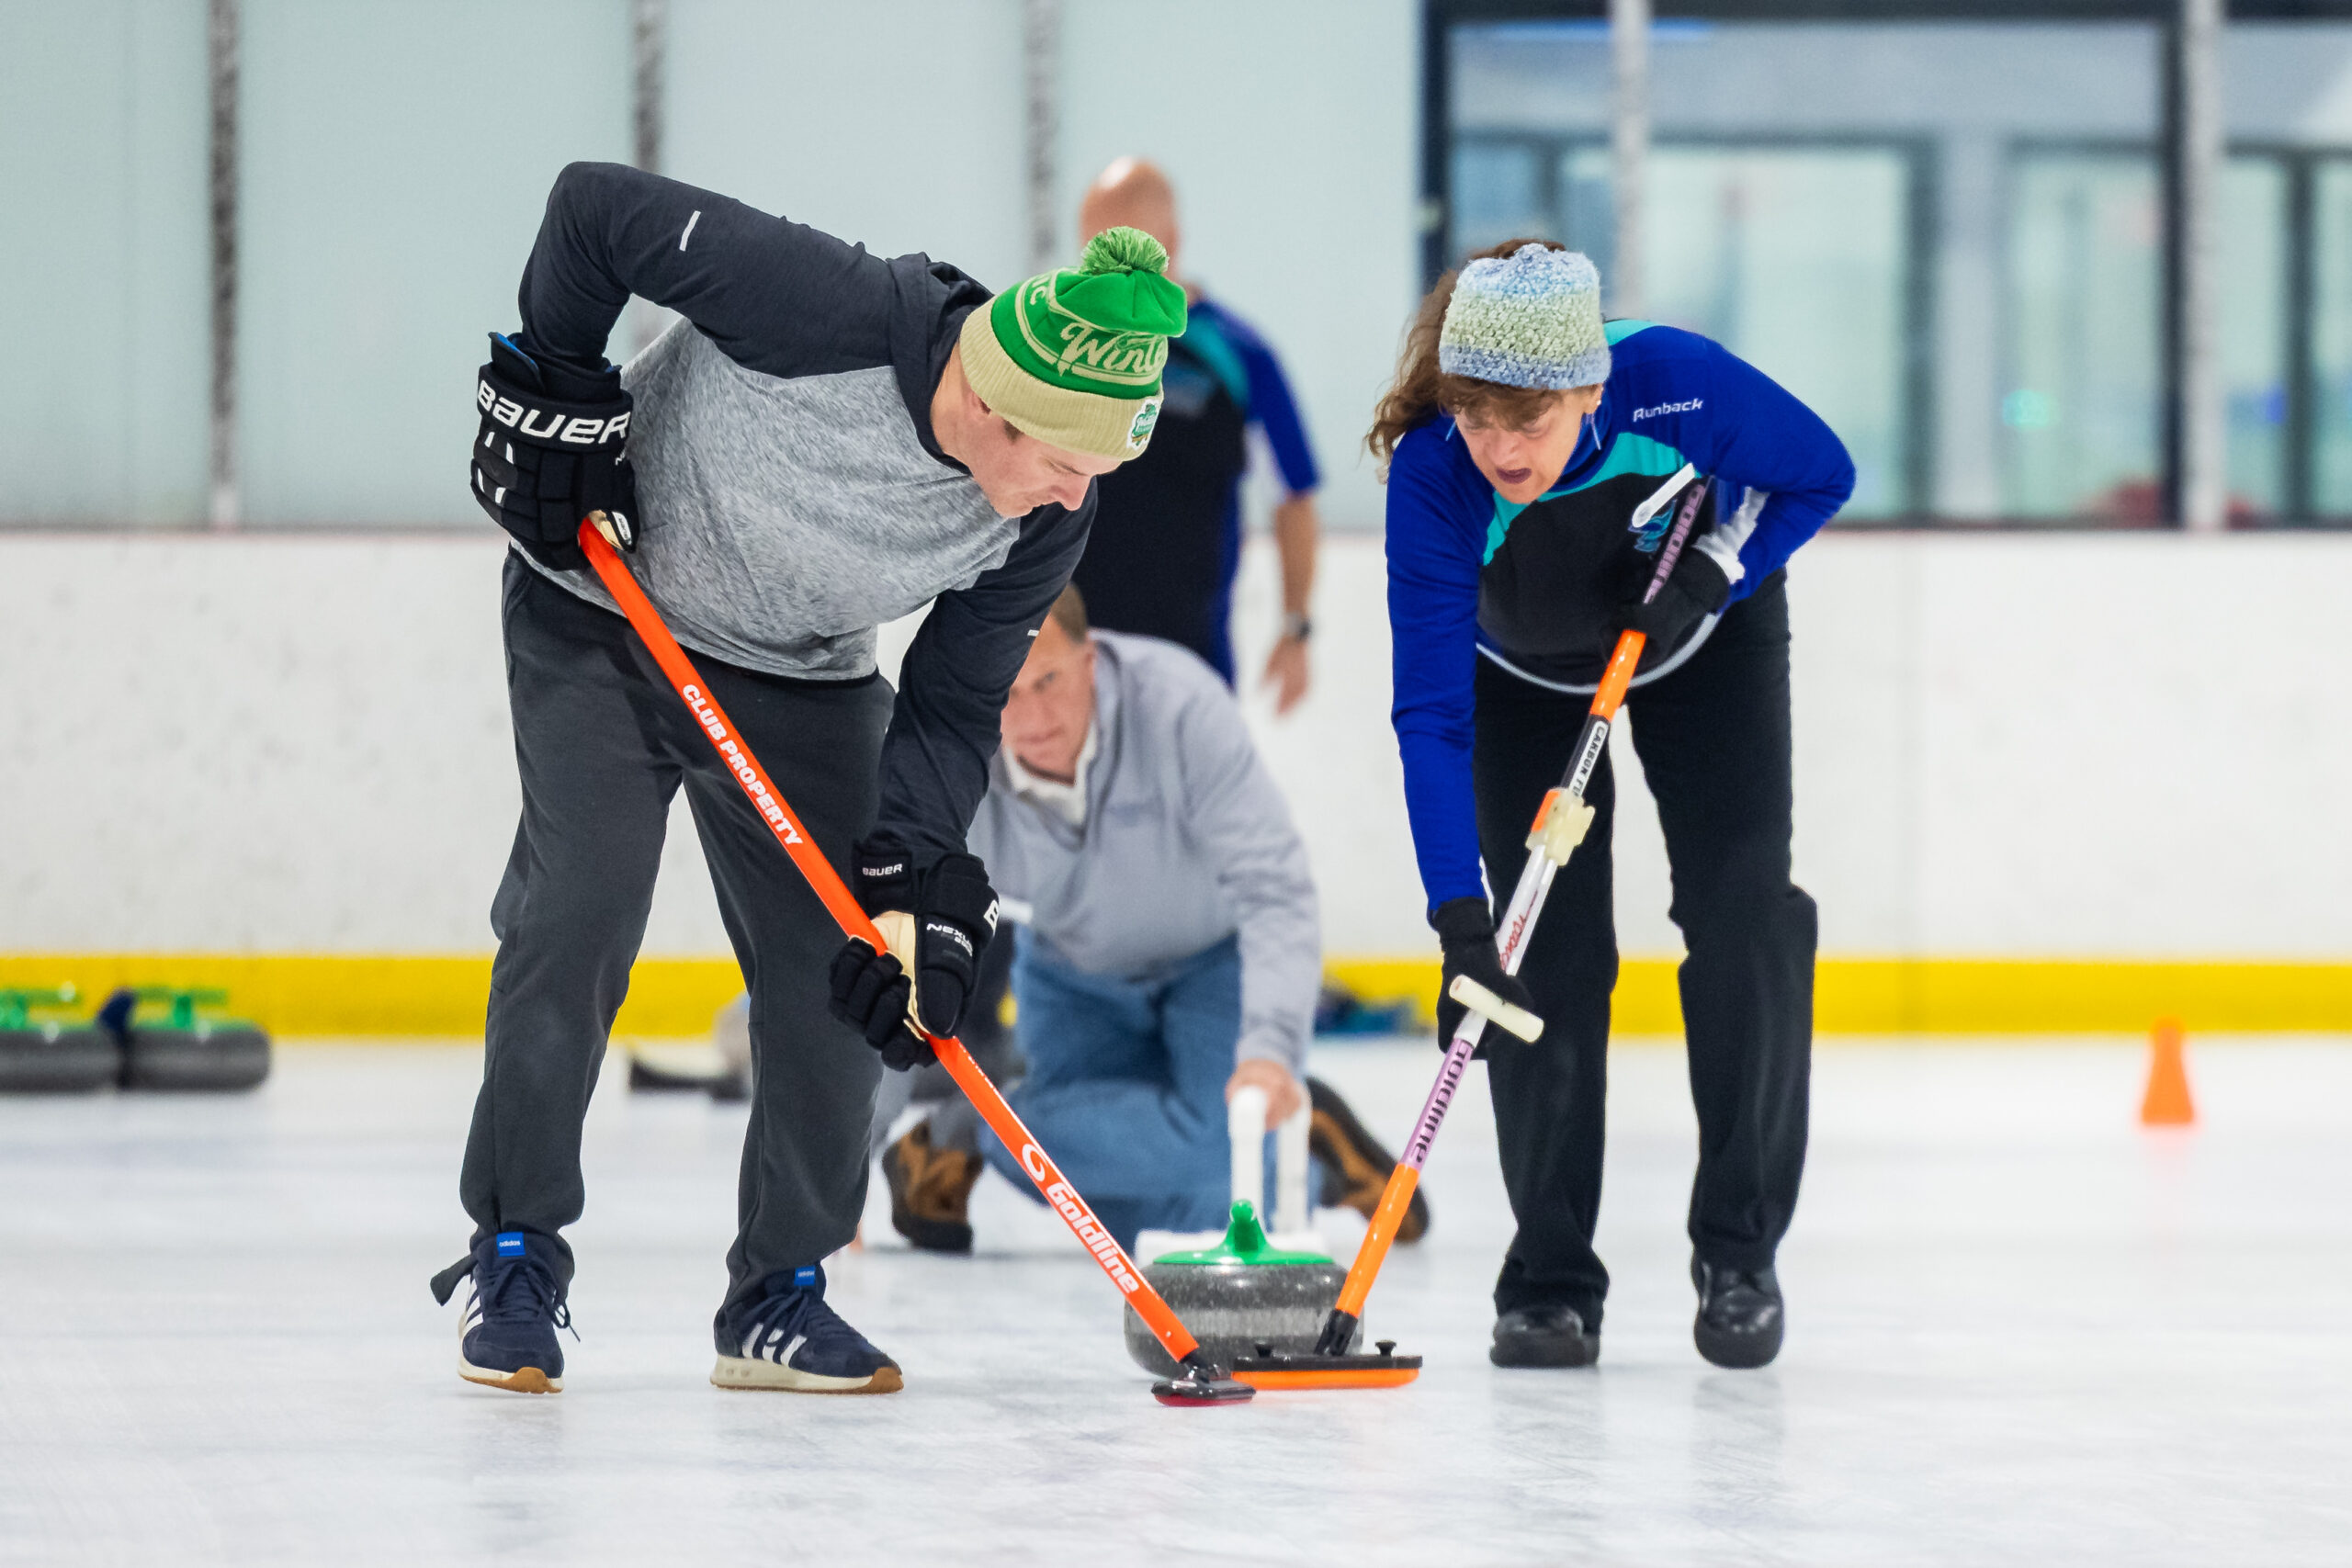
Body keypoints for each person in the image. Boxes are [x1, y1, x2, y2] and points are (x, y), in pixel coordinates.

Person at [432, 159, 1186, 1397]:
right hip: (602, 612)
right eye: (1066, 462)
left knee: (855, 954)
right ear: (996, 406)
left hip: (801, 675)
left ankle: (778, 1290)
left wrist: (922, 881)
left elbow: (950, 705)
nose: (1076, 496)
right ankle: (517, 1249)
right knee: (580, 903)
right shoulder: (823, 307)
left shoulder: (1047, 512)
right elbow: (590, 209)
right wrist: (559, 390)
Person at [1374, 242, 1854, 1371]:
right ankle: (1547, 1274)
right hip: (1523, 678)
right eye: (1476, 417)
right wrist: (1457, 922)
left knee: (1744, 917)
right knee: (1537, 956)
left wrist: (1723, 570)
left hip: (1700, 643)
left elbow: (1819, 471)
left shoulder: (1680, 384)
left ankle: (1737, 1251)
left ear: (1589, 390)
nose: (1499, 449)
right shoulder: (1434, 476)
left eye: (1526, 423)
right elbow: (1429, 717)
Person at [876, 587, 1423, 1255]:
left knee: (1153, 1156)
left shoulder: (1180, 707)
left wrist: (1271, 1048)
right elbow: (890, 936)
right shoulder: (957, 760)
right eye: (1006, 694)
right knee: (1118, 1208)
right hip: (1072, 977)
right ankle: (1309, 1166)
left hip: (1211, 965)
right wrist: (845, 1162)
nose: (1033, 717)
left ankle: (972, 1129)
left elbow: (1274, 884)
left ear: (1091, 661)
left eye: (1048, 680)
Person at [1069, 158, 1324, 714]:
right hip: (1071, 662)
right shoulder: (1064, 346)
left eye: (1125, 248)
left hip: (1192, 660)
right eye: (1095, 251)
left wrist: (1296, 625)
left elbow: (1294, 495)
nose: (1108, 271)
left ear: (1172, 240)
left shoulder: (1238, 353)